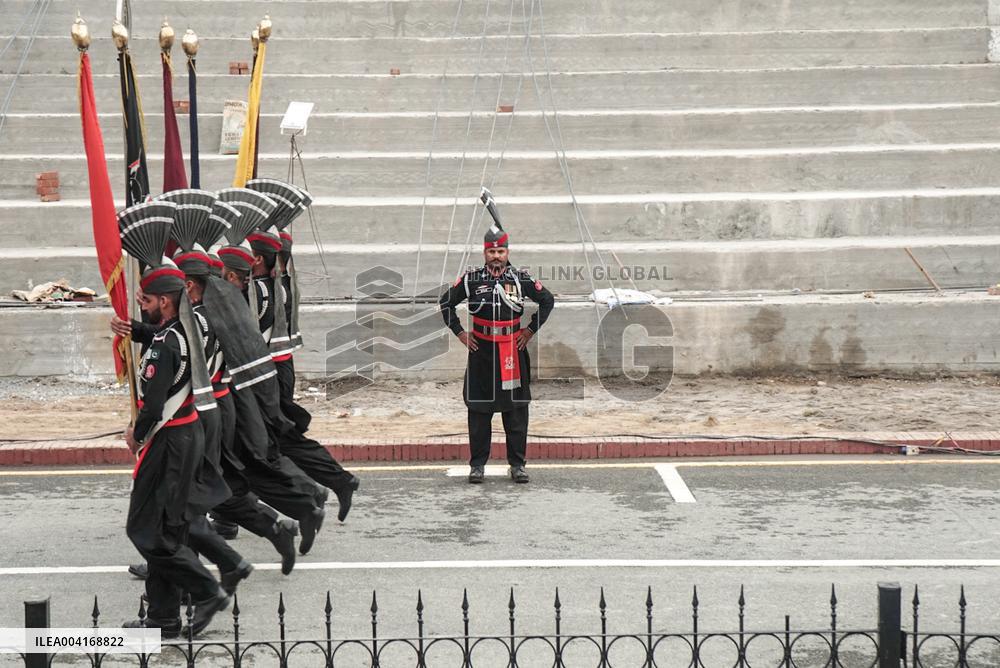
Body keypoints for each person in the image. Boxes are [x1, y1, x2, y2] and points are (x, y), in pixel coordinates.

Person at [120, 262, 229, 637]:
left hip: (169, 443)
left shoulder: (168, 343)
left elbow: (152, 405)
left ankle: (206, 591)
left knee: (146, 529)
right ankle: (163, 618)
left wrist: (137, 433)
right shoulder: (184, 329)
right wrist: (135, 330)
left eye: (147, 300)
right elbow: (155, 335)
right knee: (169, 529)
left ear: (165, 302)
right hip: (184, 436)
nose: (142, 304)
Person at [249, 228, 361, 525]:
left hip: (267, 373)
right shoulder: (280, 281)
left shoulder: (262, 289)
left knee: (269, 443)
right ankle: (328, 485)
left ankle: (313, 490)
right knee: (273, 441)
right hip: (277, 369)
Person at [439, 220, 554, 484]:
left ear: (507, 253)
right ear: (484, 253)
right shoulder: (471, 280)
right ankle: (477, 465)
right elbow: (445, 303)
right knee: (479, 411)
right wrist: (460, 333)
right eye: (491, 252)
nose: (496, 256)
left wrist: (530, 331)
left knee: (515, 412)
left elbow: (547, 300)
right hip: (481, 353)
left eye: (501, 252)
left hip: (511, 352)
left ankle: (518, 465)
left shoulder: (520, 278)